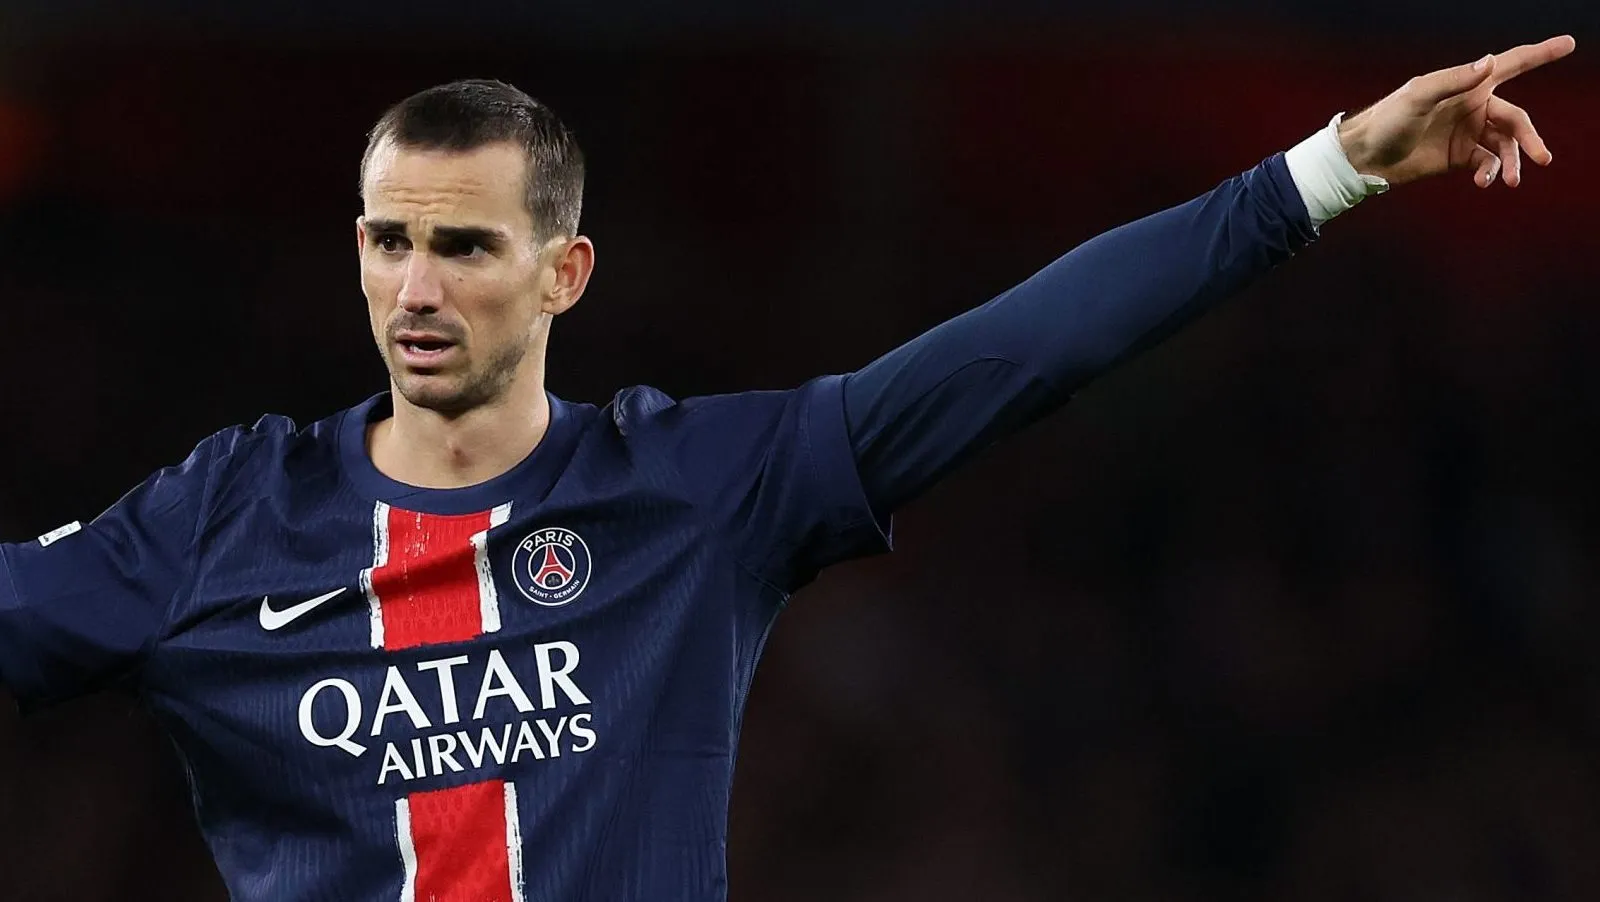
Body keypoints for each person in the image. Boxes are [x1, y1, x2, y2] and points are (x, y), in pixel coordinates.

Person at [0, 34, 1575, 902]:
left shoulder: (697, 488)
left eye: (464, 246)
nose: (416, 287)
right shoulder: (223, 516)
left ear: (562, 272)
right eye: (388, 242)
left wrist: (1328, 171)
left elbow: (1016, 354)